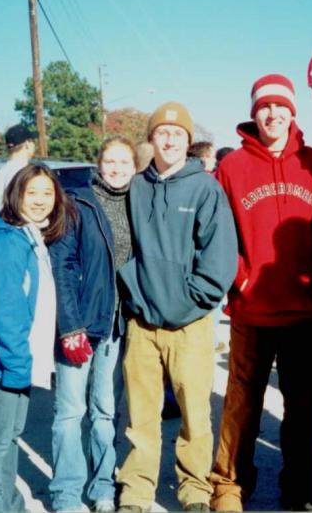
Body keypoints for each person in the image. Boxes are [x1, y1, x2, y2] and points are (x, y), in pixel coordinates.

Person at [210, 74, 312, 512]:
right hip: (252, 310)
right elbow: (217, 234)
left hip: (305, 311)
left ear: (292, 112)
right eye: (264, 106)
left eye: (280, 106)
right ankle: (229, 487)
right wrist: (240, 279)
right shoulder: (232, 167)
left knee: (304, 407)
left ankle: (300, 490)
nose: (272, 113)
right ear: (253, 113)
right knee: (241, 405)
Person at [116, 102, 237, 513]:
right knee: (140, 416)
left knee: (194, 416)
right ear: (151, 139)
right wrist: (134, 294)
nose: (169, 140)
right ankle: (136, 491)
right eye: (162, 133)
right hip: (143, 323)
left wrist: (192, 300)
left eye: (178, 134)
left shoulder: (205, 188)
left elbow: (219, 258)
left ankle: (194, 491)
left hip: (190, 325)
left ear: (188, 141)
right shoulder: (135, 187)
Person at [0, 164, 73, 513]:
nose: (40, 200)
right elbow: (5, 311)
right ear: (16, 195)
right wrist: (16, 364)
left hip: (12, 358)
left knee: (7, 438)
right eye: (32, 193)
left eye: (47, 193)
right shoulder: (8, 242)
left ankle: (8, 506)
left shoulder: (27, 235)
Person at [48, 137, 135, 513]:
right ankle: (66, 493)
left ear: (134, 166)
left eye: (124, 162)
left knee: (105, 411)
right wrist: (69, 326)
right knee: (70, 413)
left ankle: (102, 487)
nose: (116, 168)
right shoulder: (77, 202)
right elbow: (61, 265)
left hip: (116, 325)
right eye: (110, 161)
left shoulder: (138, 203)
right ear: (98, 164)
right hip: (80, 324)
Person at [0, 124, 37, 215]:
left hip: (0, 222)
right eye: (32, 141)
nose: (34, 145)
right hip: (16, 223)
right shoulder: (24, 172)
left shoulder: (1, 172)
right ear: (27, 144)